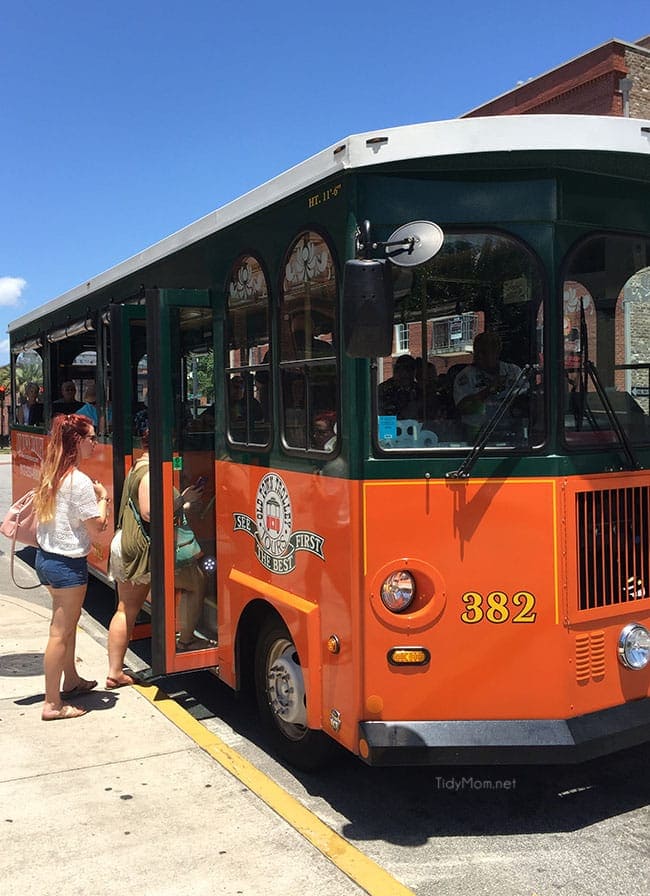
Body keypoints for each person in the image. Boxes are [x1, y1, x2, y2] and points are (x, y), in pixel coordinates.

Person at [106, 429, 208, 689]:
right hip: (143, 550)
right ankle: (185, 640)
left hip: (125, 543)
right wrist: (183, 500)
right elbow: (151, 512)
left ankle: (115, 670)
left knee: (124, 608)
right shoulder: (151, 472)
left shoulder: (138, 465)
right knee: (195, 584)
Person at [33, 414, 110, 720]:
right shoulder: (78, 482)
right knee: (59, 633)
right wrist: (103, 498)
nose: (96, 443)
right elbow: (98, 527)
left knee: (67, 625)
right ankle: (53, 703)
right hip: (68, 565)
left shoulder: (52, 471)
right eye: (92, 437)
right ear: (77, 441)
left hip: (47, 559)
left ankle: (73, 680)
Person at [453, 331, 526, 440]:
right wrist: (488, 391)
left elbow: (527, 399)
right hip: (477, 432)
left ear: (497, 352)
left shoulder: (513, 371)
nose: (479, 356)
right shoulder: (466, 376)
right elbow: (462, 407)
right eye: (477, 352)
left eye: (485, 352)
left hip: (511, 427)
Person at [377, 354, 421, 419]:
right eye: (400, 369)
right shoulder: (384, 389)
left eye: (410, 370)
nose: (405, 373)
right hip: (390, 426)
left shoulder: (418, 390)